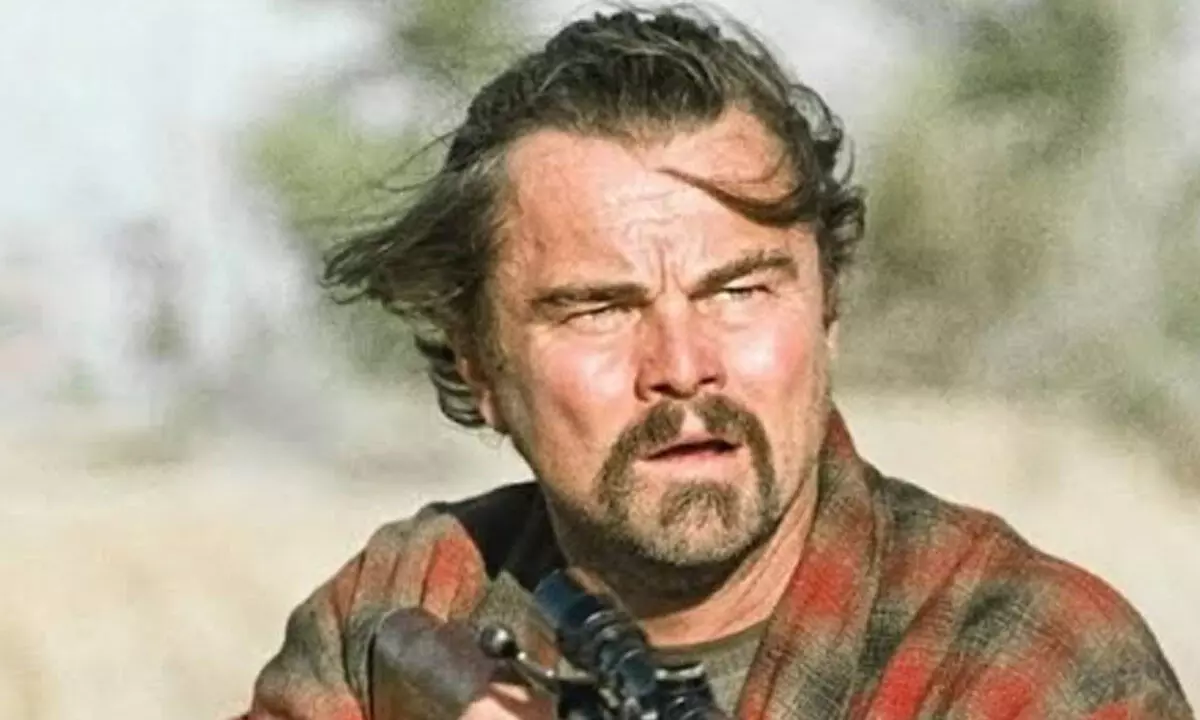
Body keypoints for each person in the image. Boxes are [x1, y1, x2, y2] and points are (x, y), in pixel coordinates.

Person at [237, 7, 1192, 719]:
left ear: (827, 310)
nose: (684, 366)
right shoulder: (416, 596)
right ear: (480, 366)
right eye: (599, 309)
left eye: (739, 292)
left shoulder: (1025, 661)